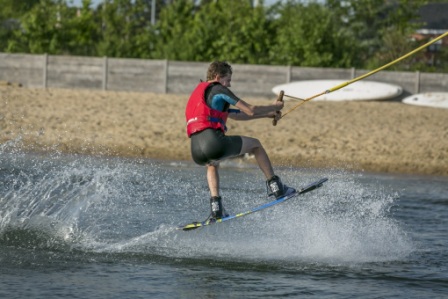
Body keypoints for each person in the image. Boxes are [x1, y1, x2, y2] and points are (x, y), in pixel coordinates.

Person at [185, 61, 295, 219]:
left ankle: (216, 209)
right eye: (228, 80)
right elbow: (250, 110)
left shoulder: (200, 95)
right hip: (215, 143)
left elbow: (236, 114)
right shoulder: (218, 89)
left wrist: (267, 114)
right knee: (256, 145)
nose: (229, 84)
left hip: (196, 151)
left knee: (212, 164)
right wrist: (274, 107)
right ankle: (276, 187)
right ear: (218, 77)